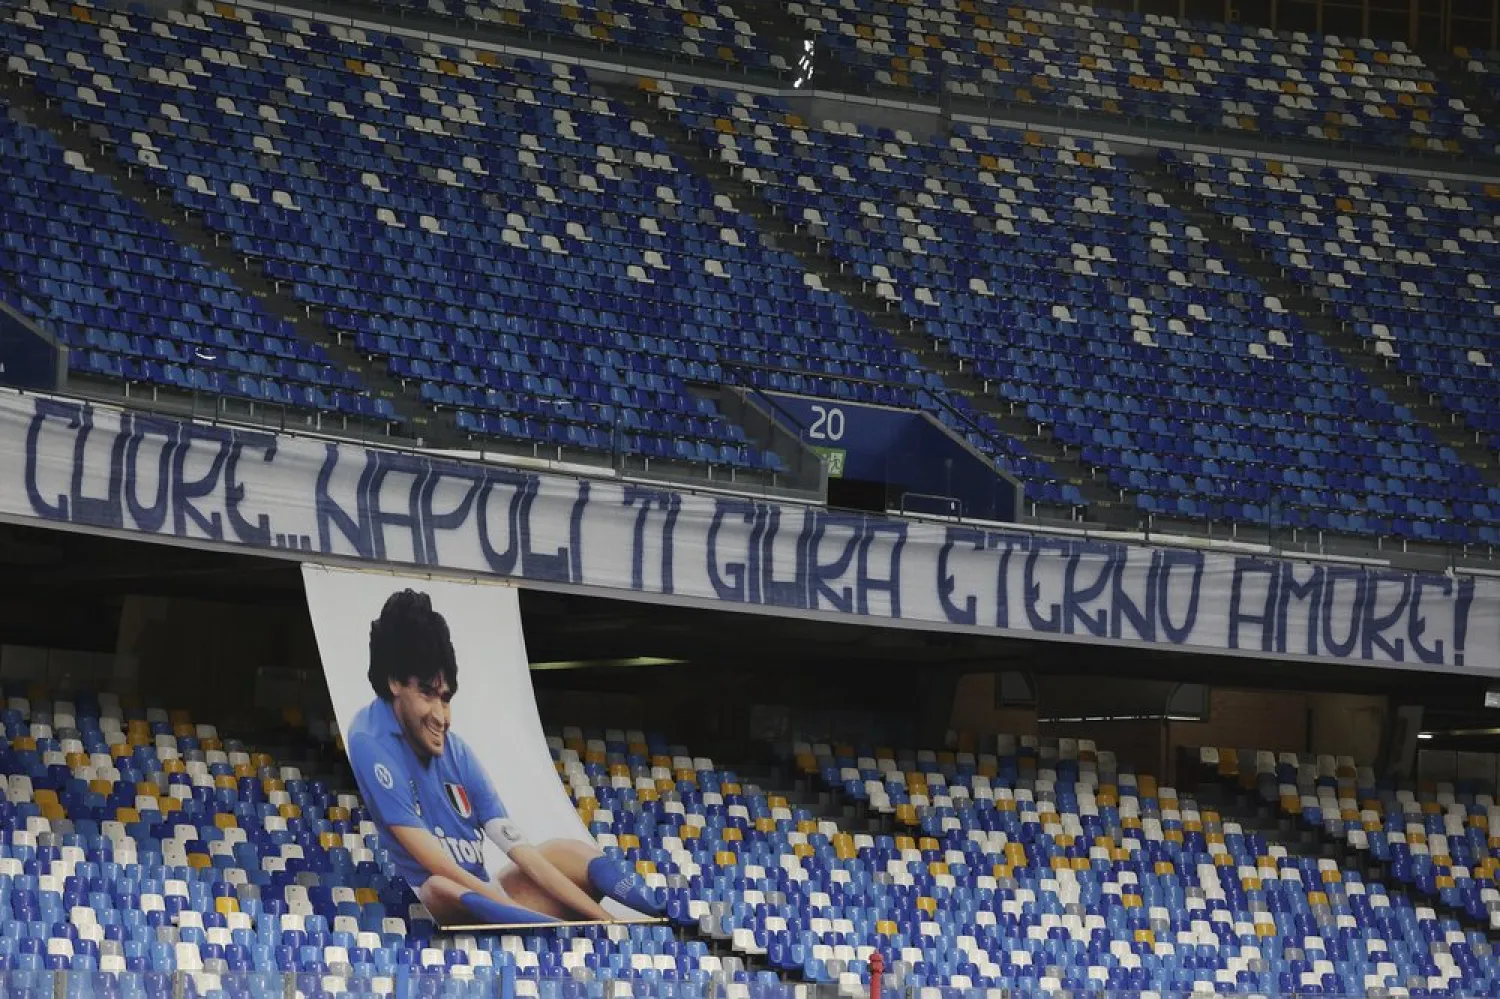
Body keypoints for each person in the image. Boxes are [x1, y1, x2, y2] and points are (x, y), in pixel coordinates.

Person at [344, 588, 661, 926]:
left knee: (566, 850)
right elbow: (438, 866)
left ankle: (658, 913)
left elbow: (520, 852)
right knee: (438, 887)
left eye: (445, 699)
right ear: (394, 683)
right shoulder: (369, 740)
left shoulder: (458, 752)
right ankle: (542, 928)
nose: (440, 716)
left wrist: (605, 920)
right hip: (436, 904)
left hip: (487, 894)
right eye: (426, 694)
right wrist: (516, 910)